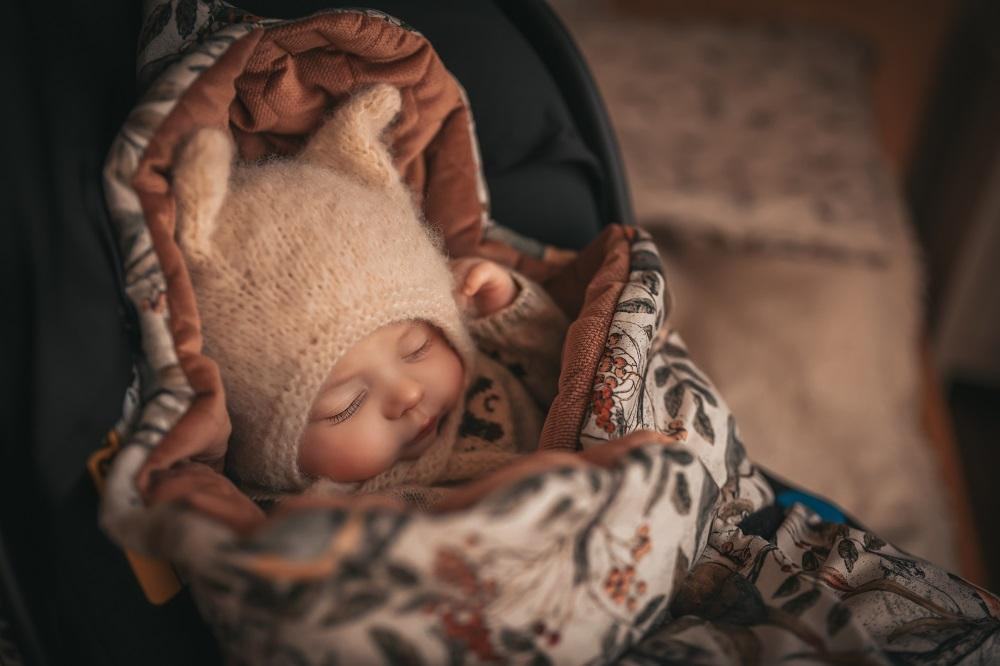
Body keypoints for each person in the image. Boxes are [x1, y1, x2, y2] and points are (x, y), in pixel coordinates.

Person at [152, 84, 568, 517]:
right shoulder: (316, 513)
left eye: (417, 348)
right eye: (345, 406)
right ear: (267, 450)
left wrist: (508, 310)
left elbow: (560, 371)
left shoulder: (484, 367)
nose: (408, 393)